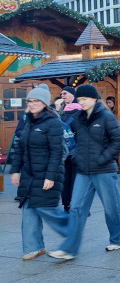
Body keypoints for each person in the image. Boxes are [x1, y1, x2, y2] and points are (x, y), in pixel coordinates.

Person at [49, 84, 120, 260]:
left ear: (94, 98)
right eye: (80, 99)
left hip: (104, 170)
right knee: (76, 208)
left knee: (111, 207)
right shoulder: (78, 118)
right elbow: (71, 139)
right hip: (83, 170)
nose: (81, 102)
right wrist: (77, 156)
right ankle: (69, 248)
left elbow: (118, 141)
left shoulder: (106, 117)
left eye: (84, 99)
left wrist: (102, 158)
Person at [9, 84, 70, 260]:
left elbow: (57, 152)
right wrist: (15, 170)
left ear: (44, 103)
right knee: (28, 210)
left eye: (36, 101)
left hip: (46, 174)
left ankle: (73, 235)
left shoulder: (54, 123)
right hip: (29, 174)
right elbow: (21, 147)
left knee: (48, 210)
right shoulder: (29, 120)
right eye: (30, 101)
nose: (32, 104)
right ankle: (33, 248)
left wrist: (50, 176)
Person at [55, 86, 81, 212]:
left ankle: (71, 203)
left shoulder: (78, 111)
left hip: (72, 150)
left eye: (65, 93)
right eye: (61, 94)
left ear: (72, 95)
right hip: (70, 150)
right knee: (69, 177)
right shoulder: (62, 111)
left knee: (72, 177)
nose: (63, 96)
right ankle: (69, 203)